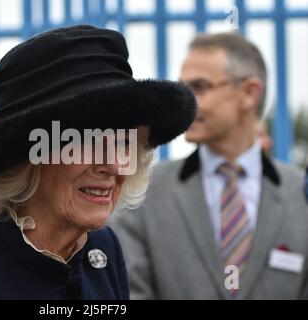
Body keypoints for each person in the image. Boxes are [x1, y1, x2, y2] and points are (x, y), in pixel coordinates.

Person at [0, 25, 196, 299]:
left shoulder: (102, 249)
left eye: (123, 144)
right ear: (26, 159)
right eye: (87, 143)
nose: (113, 165)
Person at [110, 32, 308, 299]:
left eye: (199, 86)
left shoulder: (300, 193)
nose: (185, 100)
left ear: (249, 93)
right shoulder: (142, 191)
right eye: (182, 87)